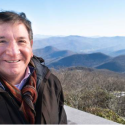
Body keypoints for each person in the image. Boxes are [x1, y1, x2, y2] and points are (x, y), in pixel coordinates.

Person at [0, 11, 67, 124]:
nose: (13, 52)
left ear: (30, 47)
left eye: (21, 41)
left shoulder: (50, 83)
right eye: (1, 41)